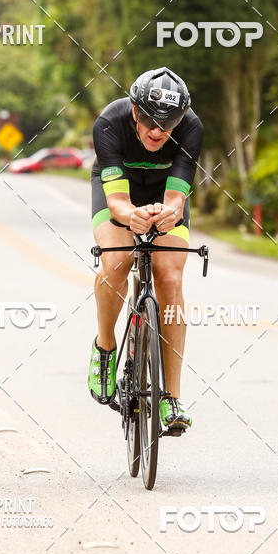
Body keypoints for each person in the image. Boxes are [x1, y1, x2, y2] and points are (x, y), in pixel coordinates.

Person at [89, 68, 204, 431]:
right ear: (136, 113)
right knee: (116, 263)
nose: (158, 132)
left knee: (170, 277)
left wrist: (169, 213)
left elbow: (175, 198)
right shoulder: (109, 122)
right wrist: (132, 216)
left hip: (162, 195)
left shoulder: (191, 128)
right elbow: (119, 201)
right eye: (151, 122)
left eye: (168, 124)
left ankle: (172, 398)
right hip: (118, 194)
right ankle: (105, 348)